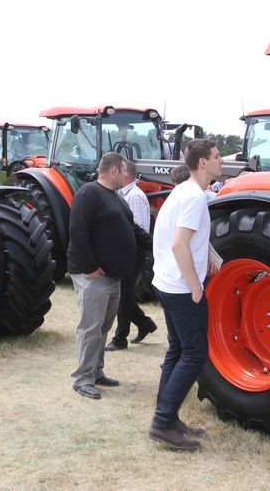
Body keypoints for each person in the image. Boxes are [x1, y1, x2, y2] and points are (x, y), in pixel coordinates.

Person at [147, 139, 223, 450]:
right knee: (194, 353)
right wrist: (195, 285)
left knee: (177, 350)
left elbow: (186, 239)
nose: (221, 161)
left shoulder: (185, 191)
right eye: (217, 157)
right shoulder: (194, 197)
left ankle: (168, 417)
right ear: (202, 163)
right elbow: (179, 244)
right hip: (181, 287)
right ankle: (163, 422)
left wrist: (212, 255)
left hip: (165, 281)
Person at [68, 152, 151, 399]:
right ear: (114, 170)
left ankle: (96, 371)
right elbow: (78, 230)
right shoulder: (89, 193)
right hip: (93, 276)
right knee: (90, 328)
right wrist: (90, 266)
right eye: (125, 170)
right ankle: (82, 379)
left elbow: (133, 230)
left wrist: (158, 244)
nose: (128, 175)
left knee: (103, 327)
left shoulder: (116, 198)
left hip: (113, 276)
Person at [106, 160, 158, 351]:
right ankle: (145, 324)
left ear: (126, 174)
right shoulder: (123, 195)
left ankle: (120, 338)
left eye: (117, 171)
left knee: (123, 295)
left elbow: (140, 228)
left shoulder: (134, 197)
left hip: (133, 252)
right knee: (124, 294)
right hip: (126, 251)